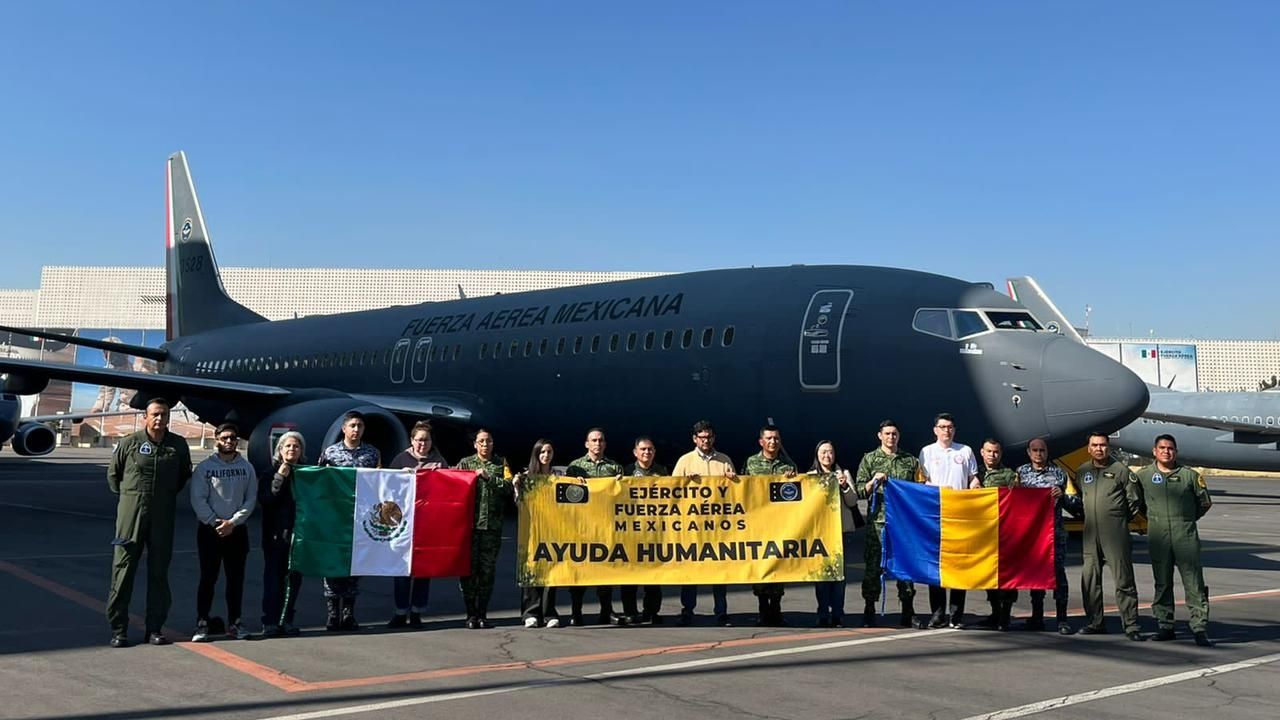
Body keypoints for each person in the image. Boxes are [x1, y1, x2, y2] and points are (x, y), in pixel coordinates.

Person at [106, 398, 193, 647]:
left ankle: (154, 628)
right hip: (130, 515)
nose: (159, 419)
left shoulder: (177, 445)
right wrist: (131, 498)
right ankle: (118, 628)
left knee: (159, 574)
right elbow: (114, 476)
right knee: (122, 571)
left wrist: (161, 497)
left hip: (162, 516)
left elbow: (182, 476)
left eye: (164, 415)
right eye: (155, 414)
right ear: (145, 416)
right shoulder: (129, 443)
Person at [1133, 434, 1214, 646]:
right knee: (1162, 581)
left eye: (1170, 448)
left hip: (1184, 533)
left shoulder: (1190, 476)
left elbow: (1204, 503)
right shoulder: (1144, 476)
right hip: (1158, 533)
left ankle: (1199, 627)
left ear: (1175, 452)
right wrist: (1154, 519)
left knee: (1193, 581)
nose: (1166, 451)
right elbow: (1138, 503)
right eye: (1162, 448)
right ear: (1154, 451)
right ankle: (1165, 625)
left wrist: (1187, 519)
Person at [189, 422, 257, 642]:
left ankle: (235, 622)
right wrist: (214, 522)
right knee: (208, 578)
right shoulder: (205, 468)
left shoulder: (247, 468)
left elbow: (250, 499)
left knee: (235, 580)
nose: (229, 441)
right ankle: (202, 622)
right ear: (216, 438)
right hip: (210, 531)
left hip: (236, 531)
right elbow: (198, 499)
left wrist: (234, 522)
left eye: (233, 438)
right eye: (225, 437)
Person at [1075, 431, 1144, 641]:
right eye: (1094, 445)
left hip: (1115, 531)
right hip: (1089, 532)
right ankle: (1095, 622)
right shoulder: (1082, 471)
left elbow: (1134, 501)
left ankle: (1131, 624)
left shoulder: (1121, 471)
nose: (1099, 449)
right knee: (1090, 578)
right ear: (1089, 448)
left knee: (1123, 578)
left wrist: (1117, 518)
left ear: (1108, 447)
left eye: (1103, 445)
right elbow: (1081, 496)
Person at [317, 411, 381, 631]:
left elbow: (380, 481)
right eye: (352, 425)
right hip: (336, 516)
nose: (356, 429)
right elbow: (320, 480)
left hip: (360, 517)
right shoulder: (330, 453)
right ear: (343, 428)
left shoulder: (372, 453)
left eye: (360, 426)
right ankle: (332, 612)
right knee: (333, 563)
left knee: (355, 564)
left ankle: (348, 612)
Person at [855, 419, 921, 628]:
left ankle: (907, 610)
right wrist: (873, 481)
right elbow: (859, 490)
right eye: (887, 433)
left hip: (902, 524)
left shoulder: (909, 461)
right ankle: (869, 608)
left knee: (905, 566)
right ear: (879, 436)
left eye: (894, 434)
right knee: (873, 567)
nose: (891, 437)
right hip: (877, 523)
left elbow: (919, 487)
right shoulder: (870, 459)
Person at [672, 420, 737, 626]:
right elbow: (671, 491)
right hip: (692, 527)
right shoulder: (685, 461)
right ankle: (687, 611)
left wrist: (733, 479)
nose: (705, 441)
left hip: (718, 527)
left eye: (708, 437)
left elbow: (736, 494)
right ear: (695, 439)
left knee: (719, 572)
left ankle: (721, 612)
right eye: (702, 438)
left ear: (713, 438)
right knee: (690, 573)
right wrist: (684, 482)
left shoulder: (724, 460)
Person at [385, 420, 449, 630]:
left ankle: (417, 611)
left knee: (423, 570)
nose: (423, 444)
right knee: (401, 569)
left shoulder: (439, 462)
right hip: (403, 523)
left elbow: (448, 490)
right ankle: (400, 611)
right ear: (412, 440)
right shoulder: (401, 459)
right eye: (419, 440)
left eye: (426, 440)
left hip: (428, 523)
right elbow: (386, 488)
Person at [918, 413, 980, 629]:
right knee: (936, 566)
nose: (947, 431)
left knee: (958, 566)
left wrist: (976, 487)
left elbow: (973, 478)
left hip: (960, 516)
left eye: (950, 427)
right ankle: (937, 613)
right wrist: (938, 491)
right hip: (936, 515)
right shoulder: (926, 452)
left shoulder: (965, 451)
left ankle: (956, 614)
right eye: (942, 427)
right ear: (935, 430)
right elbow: (922, 483)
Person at [1015, 437, 1079, 635]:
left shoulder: (1060, 474)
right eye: (1034, 450)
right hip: (1033, 535)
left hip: (1054, 533)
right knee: (1036, 576)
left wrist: (1063, 495)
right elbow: (1013, 499)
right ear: (1028, 452)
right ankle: (1037, 616)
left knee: (1058, 575)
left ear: (1047, 452)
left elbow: (1076, 503)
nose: (1038, 454)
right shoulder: (1020, 473)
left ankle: (1062, 619)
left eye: (1042, 450)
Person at [564, 428, 627, 625]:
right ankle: (576, 612)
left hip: (606, 526)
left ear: (605, 444)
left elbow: (622, 497)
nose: (597, 444)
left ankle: (606, 610)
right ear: (586, 444)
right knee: (580, 570)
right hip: (582, 527)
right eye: (594, 440)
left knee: (605, 570)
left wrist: (621, 484)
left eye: (600, 440)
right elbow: (566, 496)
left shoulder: (614, 468)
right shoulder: (575, 467)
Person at [455, 428, 514, 629]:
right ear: (475, 444)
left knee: (487, 570)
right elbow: (453, 485)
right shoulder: (465, 463)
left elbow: (509, 488)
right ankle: (470, 612)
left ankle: (482, 612)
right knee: (468, 571)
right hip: (469, 526)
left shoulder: (501, 463)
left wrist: (490, 478)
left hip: (491, 527)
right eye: (481, 441)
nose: (485, 445)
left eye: (488, 441)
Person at [742, 424, 798, 626]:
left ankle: (776, 606)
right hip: (758, 524)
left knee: (778, 566)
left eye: (776, 438)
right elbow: (742, 489)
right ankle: (763, 607)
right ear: (761, 441)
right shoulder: (751, 463)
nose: (773, 442)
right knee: (761, 566)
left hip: (780, 524)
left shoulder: (787, 465)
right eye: (769, 438)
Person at [253, 431, 306, 639]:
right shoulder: (269, 473)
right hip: (276, 535)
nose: (292, 450)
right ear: (280, 450)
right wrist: (280, 476)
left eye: (296, 446)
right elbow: (267, 499)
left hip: (299, 535)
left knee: (293, 580)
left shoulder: (306, 474)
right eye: (288, 446)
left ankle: (287, 620)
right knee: (274, 578)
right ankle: (270, 621)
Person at [811, 440, 858, 627]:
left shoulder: (843, 474)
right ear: (817, 455)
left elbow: (853, 501)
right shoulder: (810, 477)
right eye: (823, 452)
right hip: (820, 534)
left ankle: (838, 613)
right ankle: (822, 612)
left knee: (839, 577)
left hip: (839, 532)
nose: (827, 456)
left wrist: (845, 486)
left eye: (830, 452)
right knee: (821, 577)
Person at [623, 436, 669, 624]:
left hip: (654, 532)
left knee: (653, 576)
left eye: (650, 449)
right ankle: (630, 612)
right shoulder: (626, 471)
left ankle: (652, 611)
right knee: (629, 576)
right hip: (631, 532)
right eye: (642, 449)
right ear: (635, 452)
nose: (646, 452)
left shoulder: (661, 472)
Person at [518, 438, 560, 629]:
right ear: (536, 455)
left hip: (553, 531)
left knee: (551, 573)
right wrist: (516, 486)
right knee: (531, 571)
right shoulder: (527, 477)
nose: (546, 455)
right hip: (532, 531)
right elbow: (518, 503)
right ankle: (530, 612)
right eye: (542, 452)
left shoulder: (558, 477)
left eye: (549, 452)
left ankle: (549, 612)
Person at [977, 438, 1018, 632]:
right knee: (988, 574)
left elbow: (1018, 500)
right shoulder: (976, 473)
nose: (992, 455)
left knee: (1006, 575)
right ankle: (994, 612)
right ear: (982, 452)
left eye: (996, 452)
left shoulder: (1009, 475)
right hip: (983, 532)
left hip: (1003, 531)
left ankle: (1005, 614)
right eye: (989, 451)